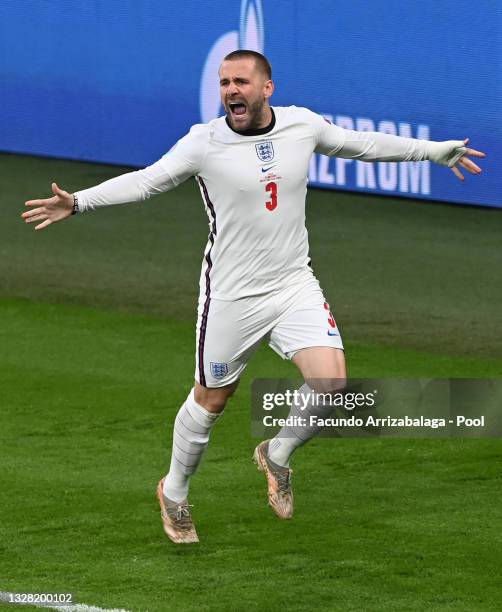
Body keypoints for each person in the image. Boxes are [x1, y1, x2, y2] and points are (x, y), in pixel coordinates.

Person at [22, 50, 485, 544]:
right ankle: (174, 491)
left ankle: (277, 454)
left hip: (292, 284)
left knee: (332, 385)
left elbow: (361, 144)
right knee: (212, 400)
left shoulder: (301, 125)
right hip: (231, 297)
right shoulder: (204, 143)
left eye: (241, 81)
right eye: (224, 83)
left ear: (267, 88)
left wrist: (432, 151)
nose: (231, 91)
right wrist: (80, 202)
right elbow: (147, 181)